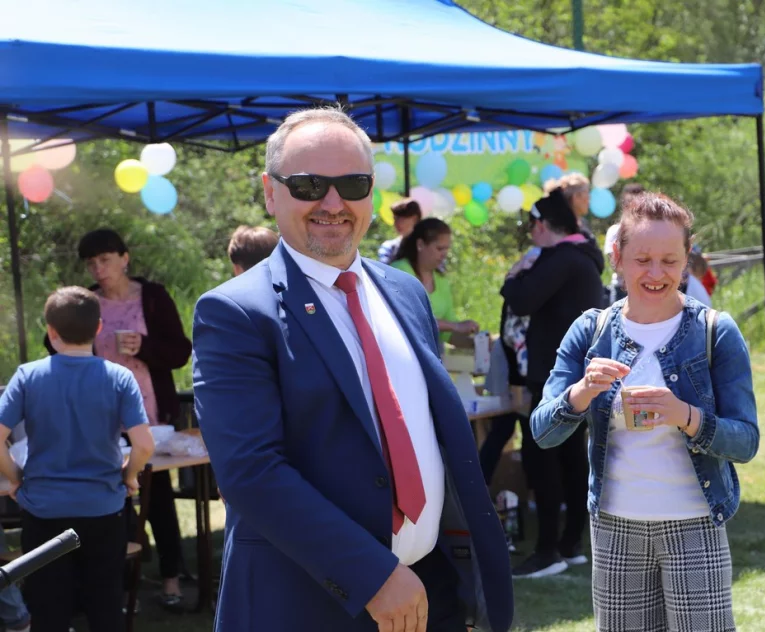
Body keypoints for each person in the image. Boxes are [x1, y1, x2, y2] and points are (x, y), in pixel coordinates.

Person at [191, 106, 514, 632]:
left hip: (431, 592)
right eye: (309, 184)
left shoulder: (406, 292)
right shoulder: (234, 313)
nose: (333, 203)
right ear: (271, 192)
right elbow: (250, 472)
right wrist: (373, 577)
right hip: (311, 603)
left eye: (352, 184)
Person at [531, 192, 759, 631]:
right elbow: (543, 432)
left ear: (687, 260)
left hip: (694, 523)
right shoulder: (591, 331)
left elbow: (746, 441)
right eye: (643, 260)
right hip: (615, 526)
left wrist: (685, 415)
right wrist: (581, 392)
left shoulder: (715, 331)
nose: (656, 274)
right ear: (618, 258)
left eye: (669, 261)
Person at [44, 229, 192, 607]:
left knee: (158, 498)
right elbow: (54, 345)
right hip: (100, 420)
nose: (98, 268)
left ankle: (171, 578)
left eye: (105, 260)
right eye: (91, 263)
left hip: (150, 416)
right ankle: (124, 587)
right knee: (113, 504)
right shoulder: (85, 302)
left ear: (124, 259)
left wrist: (145, 346)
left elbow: (180, 352)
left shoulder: (152, 297)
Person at [0, 287, 155, 632]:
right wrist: (130, 476)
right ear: (98, 327)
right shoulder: (119, 377)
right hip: (103, 510)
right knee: (105, 607)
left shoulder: (27, 376)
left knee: (48, 611)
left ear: (51, 331)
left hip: (43, 511)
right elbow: (144, 444)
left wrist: (15, 478)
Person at [500, 188, 605, 579]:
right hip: (575, 374)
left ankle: (548, 551)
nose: (530, 233)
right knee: (571, 458)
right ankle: (570, 543)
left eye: (532, 225)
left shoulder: (561, 258)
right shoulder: (583, 256)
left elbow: (522, 300)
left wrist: (513, 275)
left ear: (544, 225)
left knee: (542, 457)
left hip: (555, 376)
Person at [390, 217, 480, 345]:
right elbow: (408, 318)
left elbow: (447, 334)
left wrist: (476, 343)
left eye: (447, 249)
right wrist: (456, 326)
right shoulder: (399, 270)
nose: (444, 254)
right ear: (420, 245)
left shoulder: (441, 280)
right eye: (439, 248)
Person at [377, 198, 422, 265]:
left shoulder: (428, 246)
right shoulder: (389, 247)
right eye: (395, 219)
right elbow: (384, 268)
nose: (397, 223)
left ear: (415, 219)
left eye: (402, 219)